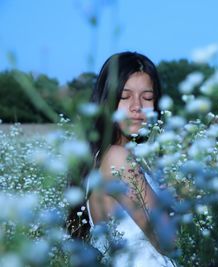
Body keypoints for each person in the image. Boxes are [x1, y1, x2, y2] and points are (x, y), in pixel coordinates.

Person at [67, 51, 176, 266]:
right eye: (125, 97)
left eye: (147, 97)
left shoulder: (109, 156)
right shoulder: (118, 158)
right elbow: (169, 241)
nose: (137, 107)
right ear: (107, 100)